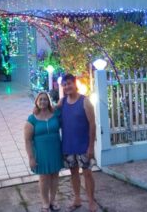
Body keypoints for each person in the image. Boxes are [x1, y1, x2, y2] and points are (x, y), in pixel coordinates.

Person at [59, 74, 98, 212]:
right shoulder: (62, 102)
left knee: (87, 173)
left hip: (83, 146)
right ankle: (77, 199)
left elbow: (92, 125)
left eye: (69, 83)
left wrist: (91, 146)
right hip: (68, 146)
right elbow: (50, 111)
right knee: (73, 173)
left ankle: (91, 201)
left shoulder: (84, 101)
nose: (67, 86)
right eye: (64, 84)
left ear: (75, 84)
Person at [24, 92, 63, 212]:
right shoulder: (32, 119)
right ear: (36, 101)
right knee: (44, 177)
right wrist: (31, 158)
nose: (42, 102)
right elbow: (27, 140)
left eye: (45, 99)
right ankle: (45, 202)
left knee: (55, 175)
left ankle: (53, 200)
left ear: (49, 101)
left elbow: (63, 103)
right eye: (40, 99)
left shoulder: (55, 114)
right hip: (41, 152)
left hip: (55, 150)